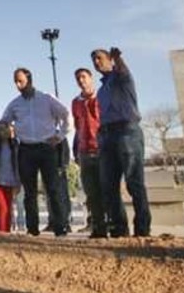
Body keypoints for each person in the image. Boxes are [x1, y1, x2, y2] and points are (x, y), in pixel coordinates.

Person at [0, 67, 71, 237]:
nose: (18, 85)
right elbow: (3, 122)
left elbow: (66, 114)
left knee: (53, 189)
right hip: (26, 149)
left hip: (47, 148)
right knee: (29, 192)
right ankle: (32, 230)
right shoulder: (14, 104)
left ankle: (60, 228)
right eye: (15, 82)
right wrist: (8, 130)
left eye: (21, 81)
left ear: (29, 80)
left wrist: (60, 135)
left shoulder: (46, 99)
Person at [93, 47, 151, 238]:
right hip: (107, 136)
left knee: (134, 181)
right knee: (108, 185)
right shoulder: (101, 91)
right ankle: (119, 228)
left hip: (127, 132)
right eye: (94, 59)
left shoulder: (122, 78)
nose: (96, 62)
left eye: (100, 58)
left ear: (110, 59)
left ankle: (142, 229)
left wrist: (118, 60)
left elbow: (123, 71)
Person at [72, 67, 108, 238]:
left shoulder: (102, 96)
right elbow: (77, 126)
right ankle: (98, 228)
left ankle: (116, 227)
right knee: (91, 194)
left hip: (102, 149)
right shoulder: (76, 102)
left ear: (91, 78)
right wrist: (77, 149)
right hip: (84, 152)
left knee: (108, 190)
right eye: (78, 78)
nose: (81, 80)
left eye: (84, 77)